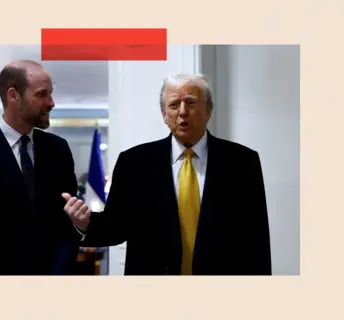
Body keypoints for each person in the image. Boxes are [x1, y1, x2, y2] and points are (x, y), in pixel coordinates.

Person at [62, 74, 272, 275]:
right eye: (173, 105)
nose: (182, 112)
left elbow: (256, 239)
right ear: (164, 115)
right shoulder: (134, 162)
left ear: (208, 110)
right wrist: (85, 224)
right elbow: (116, 227)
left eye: (191, 103)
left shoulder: (242, 161)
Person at [0, 60, 81, 275]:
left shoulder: (58, 149)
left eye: (51, 93)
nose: (51, 103)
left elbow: (67, 223)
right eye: (42, 94)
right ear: (13, 95)